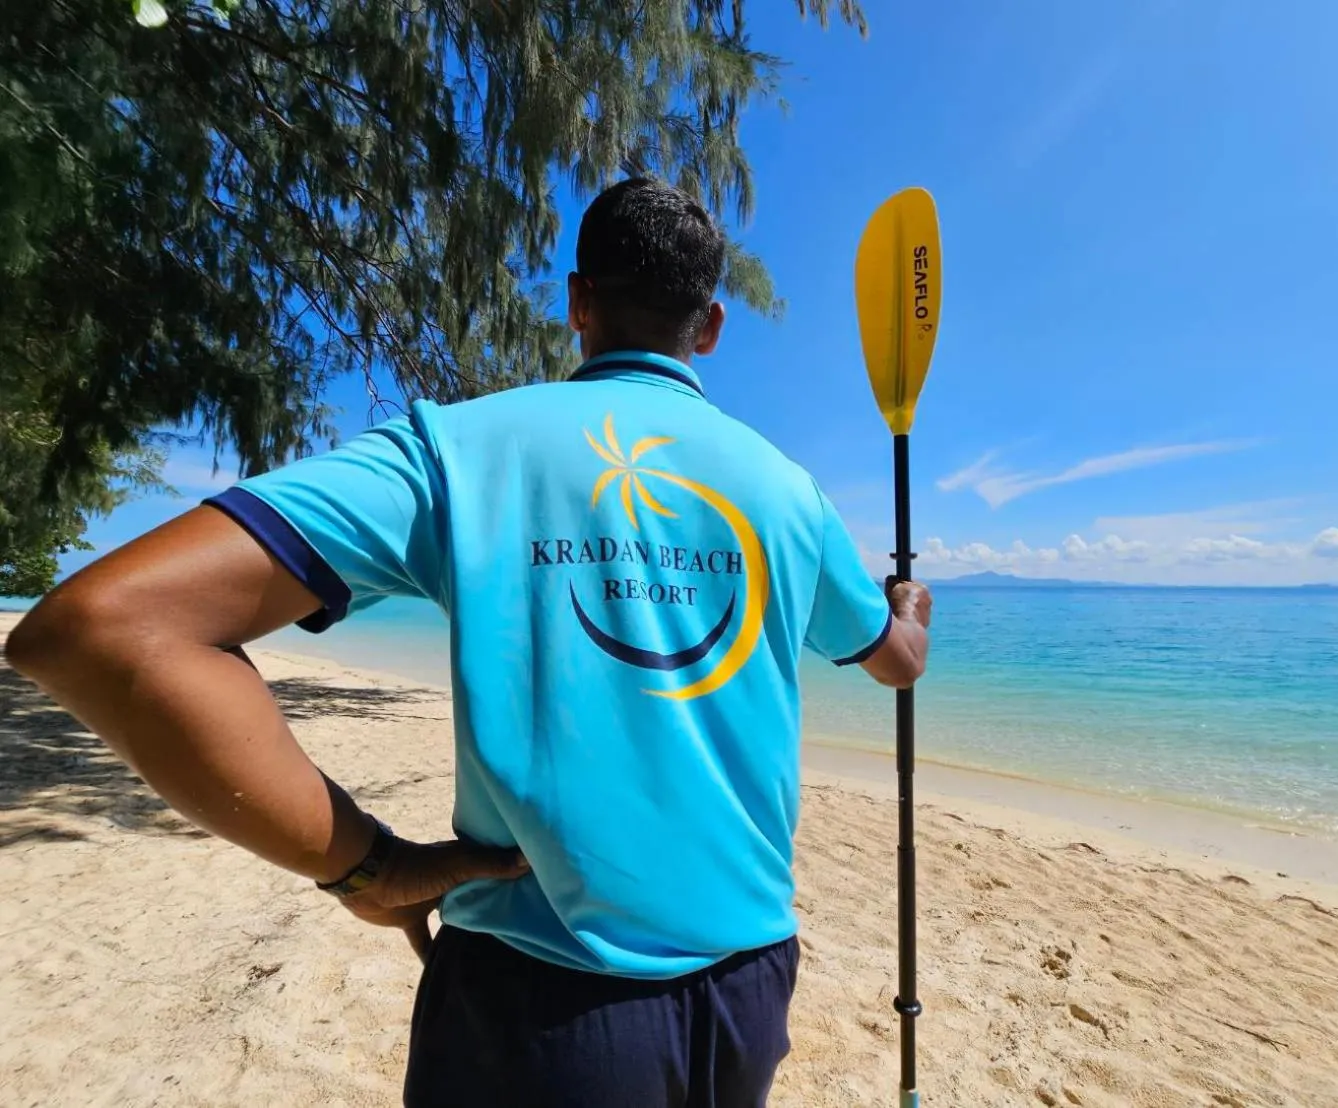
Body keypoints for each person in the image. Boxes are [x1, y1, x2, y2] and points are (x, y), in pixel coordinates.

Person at [5, 177, 932, 1107]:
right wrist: (909, 611)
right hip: (749, 986)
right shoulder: (789, 492)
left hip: (537, 1005)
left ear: (577, 302)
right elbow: (894, 664)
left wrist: (364, 866)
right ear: (713, 325)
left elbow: (110, 627)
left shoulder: (460, 449)